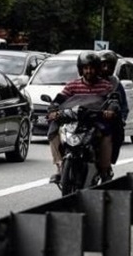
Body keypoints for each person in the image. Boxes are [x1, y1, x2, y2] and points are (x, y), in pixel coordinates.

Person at [47, 51, 128, 184]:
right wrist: (53, 109)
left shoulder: (106, 85)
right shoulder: (72, 85)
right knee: (53, 130)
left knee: (107, 135)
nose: (89, 71)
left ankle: (104, 169)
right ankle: (60, 166)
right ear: (81, 69)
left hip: (95, 122)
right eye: (85, 68)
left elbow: (113, 100)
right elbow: (59, 99)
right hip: (73, 121)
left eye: (91, 68)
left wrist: (111, 109)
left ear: (97, 69)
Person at [97, 50, 129, 167]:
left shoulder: (115, 83)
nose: (105, 68)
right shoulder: (86, 79)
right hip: (86, 117)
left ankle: (107, 163)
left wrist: (120, 117)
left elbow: (123, 105)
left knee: (117, 132)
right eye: (103, 65)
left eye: (109, 66)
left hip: (104, 120)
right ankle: (61, 165)